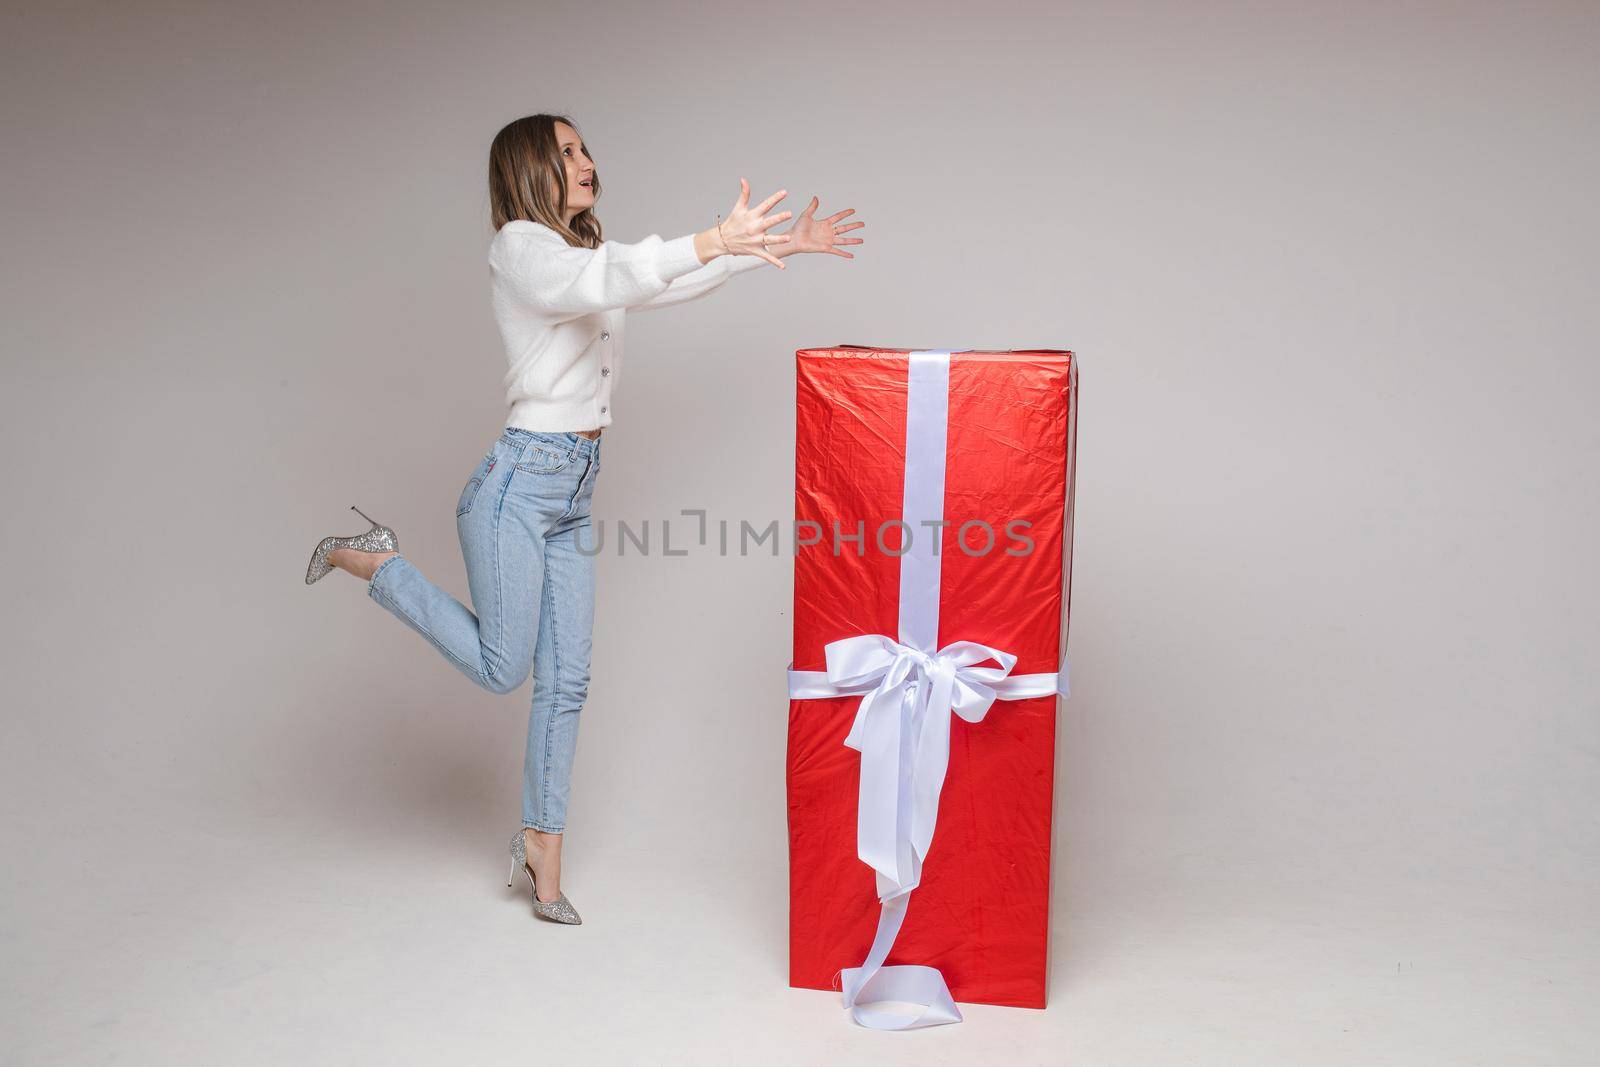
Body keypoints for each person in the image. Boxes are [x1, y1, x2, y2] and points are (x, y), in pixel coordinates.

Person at [302, 113, 864, 924]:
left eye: (585, 147)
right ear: (528, 169)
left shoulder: (584, 256)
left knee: (568, 682)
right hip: (517, 486)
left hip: (573, 490)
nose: (585, 160)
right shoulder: (520, 251)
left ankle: (542, 850)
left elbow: (647, 281)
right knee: (506, 668)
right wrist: (712, 238)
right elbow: (604, 283)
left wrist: (754, 251)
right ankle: (378, 563)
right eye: (565, 152)